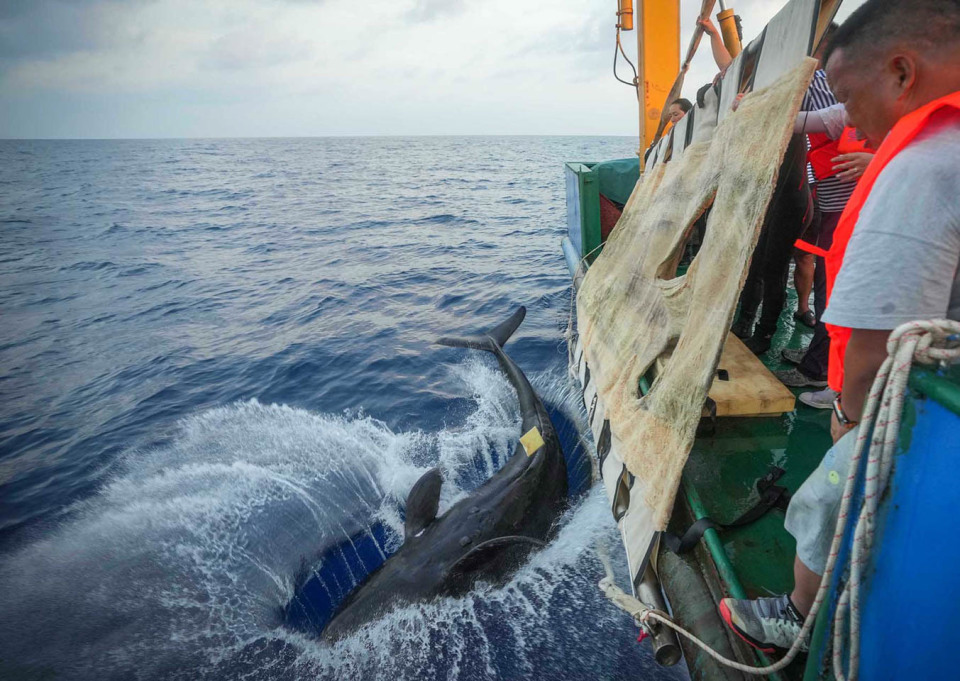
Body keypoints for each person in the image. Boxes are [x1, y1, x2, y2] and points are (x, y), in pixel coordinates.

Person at [720, 0, 960, 651]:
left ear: (902, 73)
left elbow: (876, 338)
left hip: (904, 415)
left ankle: (797, 618)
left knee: (825, 499)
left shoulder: (922, 168)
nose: (847, 120)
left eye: (850, 98)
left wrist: (850, 417)